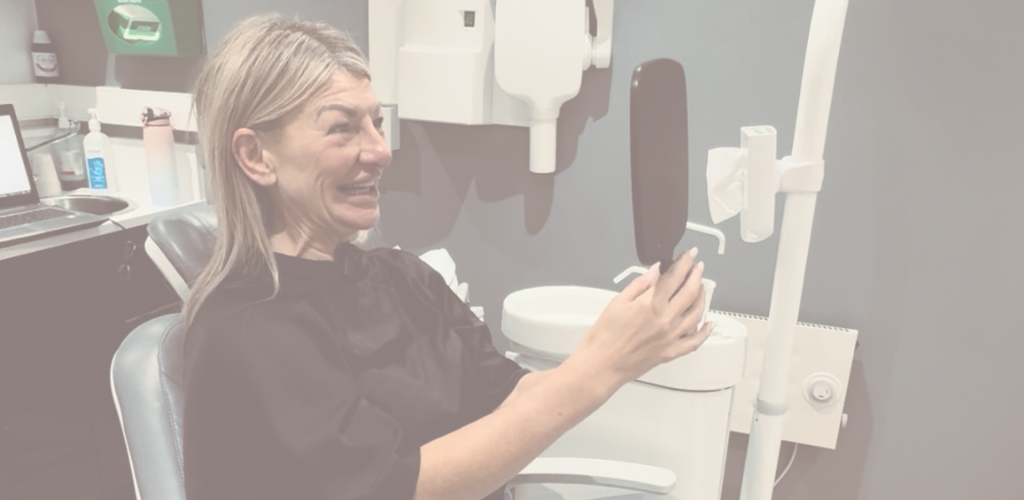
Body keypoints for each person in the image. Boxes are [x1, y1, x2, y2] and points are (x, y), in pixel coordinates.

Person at [181, 13, 713, 500]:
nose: (380, 151)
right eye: (342, 128)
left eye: (376, 123)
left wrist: (625, 342)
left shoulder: (404, 279)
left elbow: (511, 397)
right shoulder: (248, 329)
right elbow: (397, 489)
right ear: (256, 155)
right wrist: (601, 366)